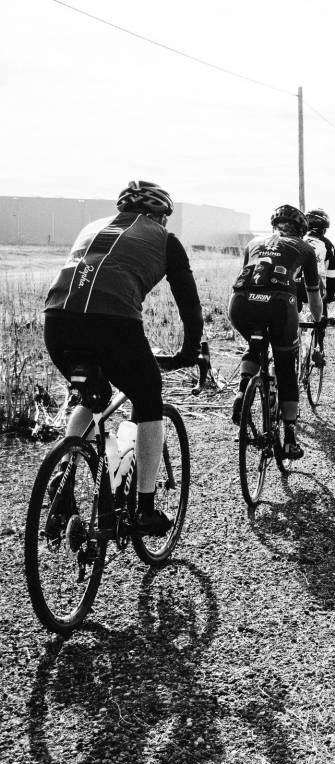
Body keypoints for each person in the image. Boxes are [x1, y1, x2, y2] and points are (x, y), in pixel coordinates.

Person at [42, 180, 203, 536]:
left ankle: (63, 475)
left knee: (92, 395)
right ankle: (144, 508)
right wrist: (191, 349)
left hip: (56, 322)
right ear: (160, 215)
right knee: (147, 396)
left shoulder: (91, 227)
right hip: (112, 324)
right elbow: (188, 303)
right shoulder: (164, 240)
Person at [229, 204, 323, 459]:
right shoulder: (305, 249)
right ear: (301, 232)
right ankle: (290, 438)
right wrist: (318, 320)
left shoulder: (253, 243)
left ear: (274, 226)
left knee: (255, 342)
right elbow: (314, 295)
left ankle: (242, 390)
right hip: (280, 305)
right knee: (285, 366)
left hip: (239, 304)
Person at [303, 208, 335, 324]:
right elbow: (332, 275)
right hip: (314, 288)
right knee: (320, 317)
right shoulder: (327, 244)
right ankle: (319, 333)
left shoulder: (297, 240)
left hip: (291, 287)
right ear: (324, 229)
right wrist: (330, 295)